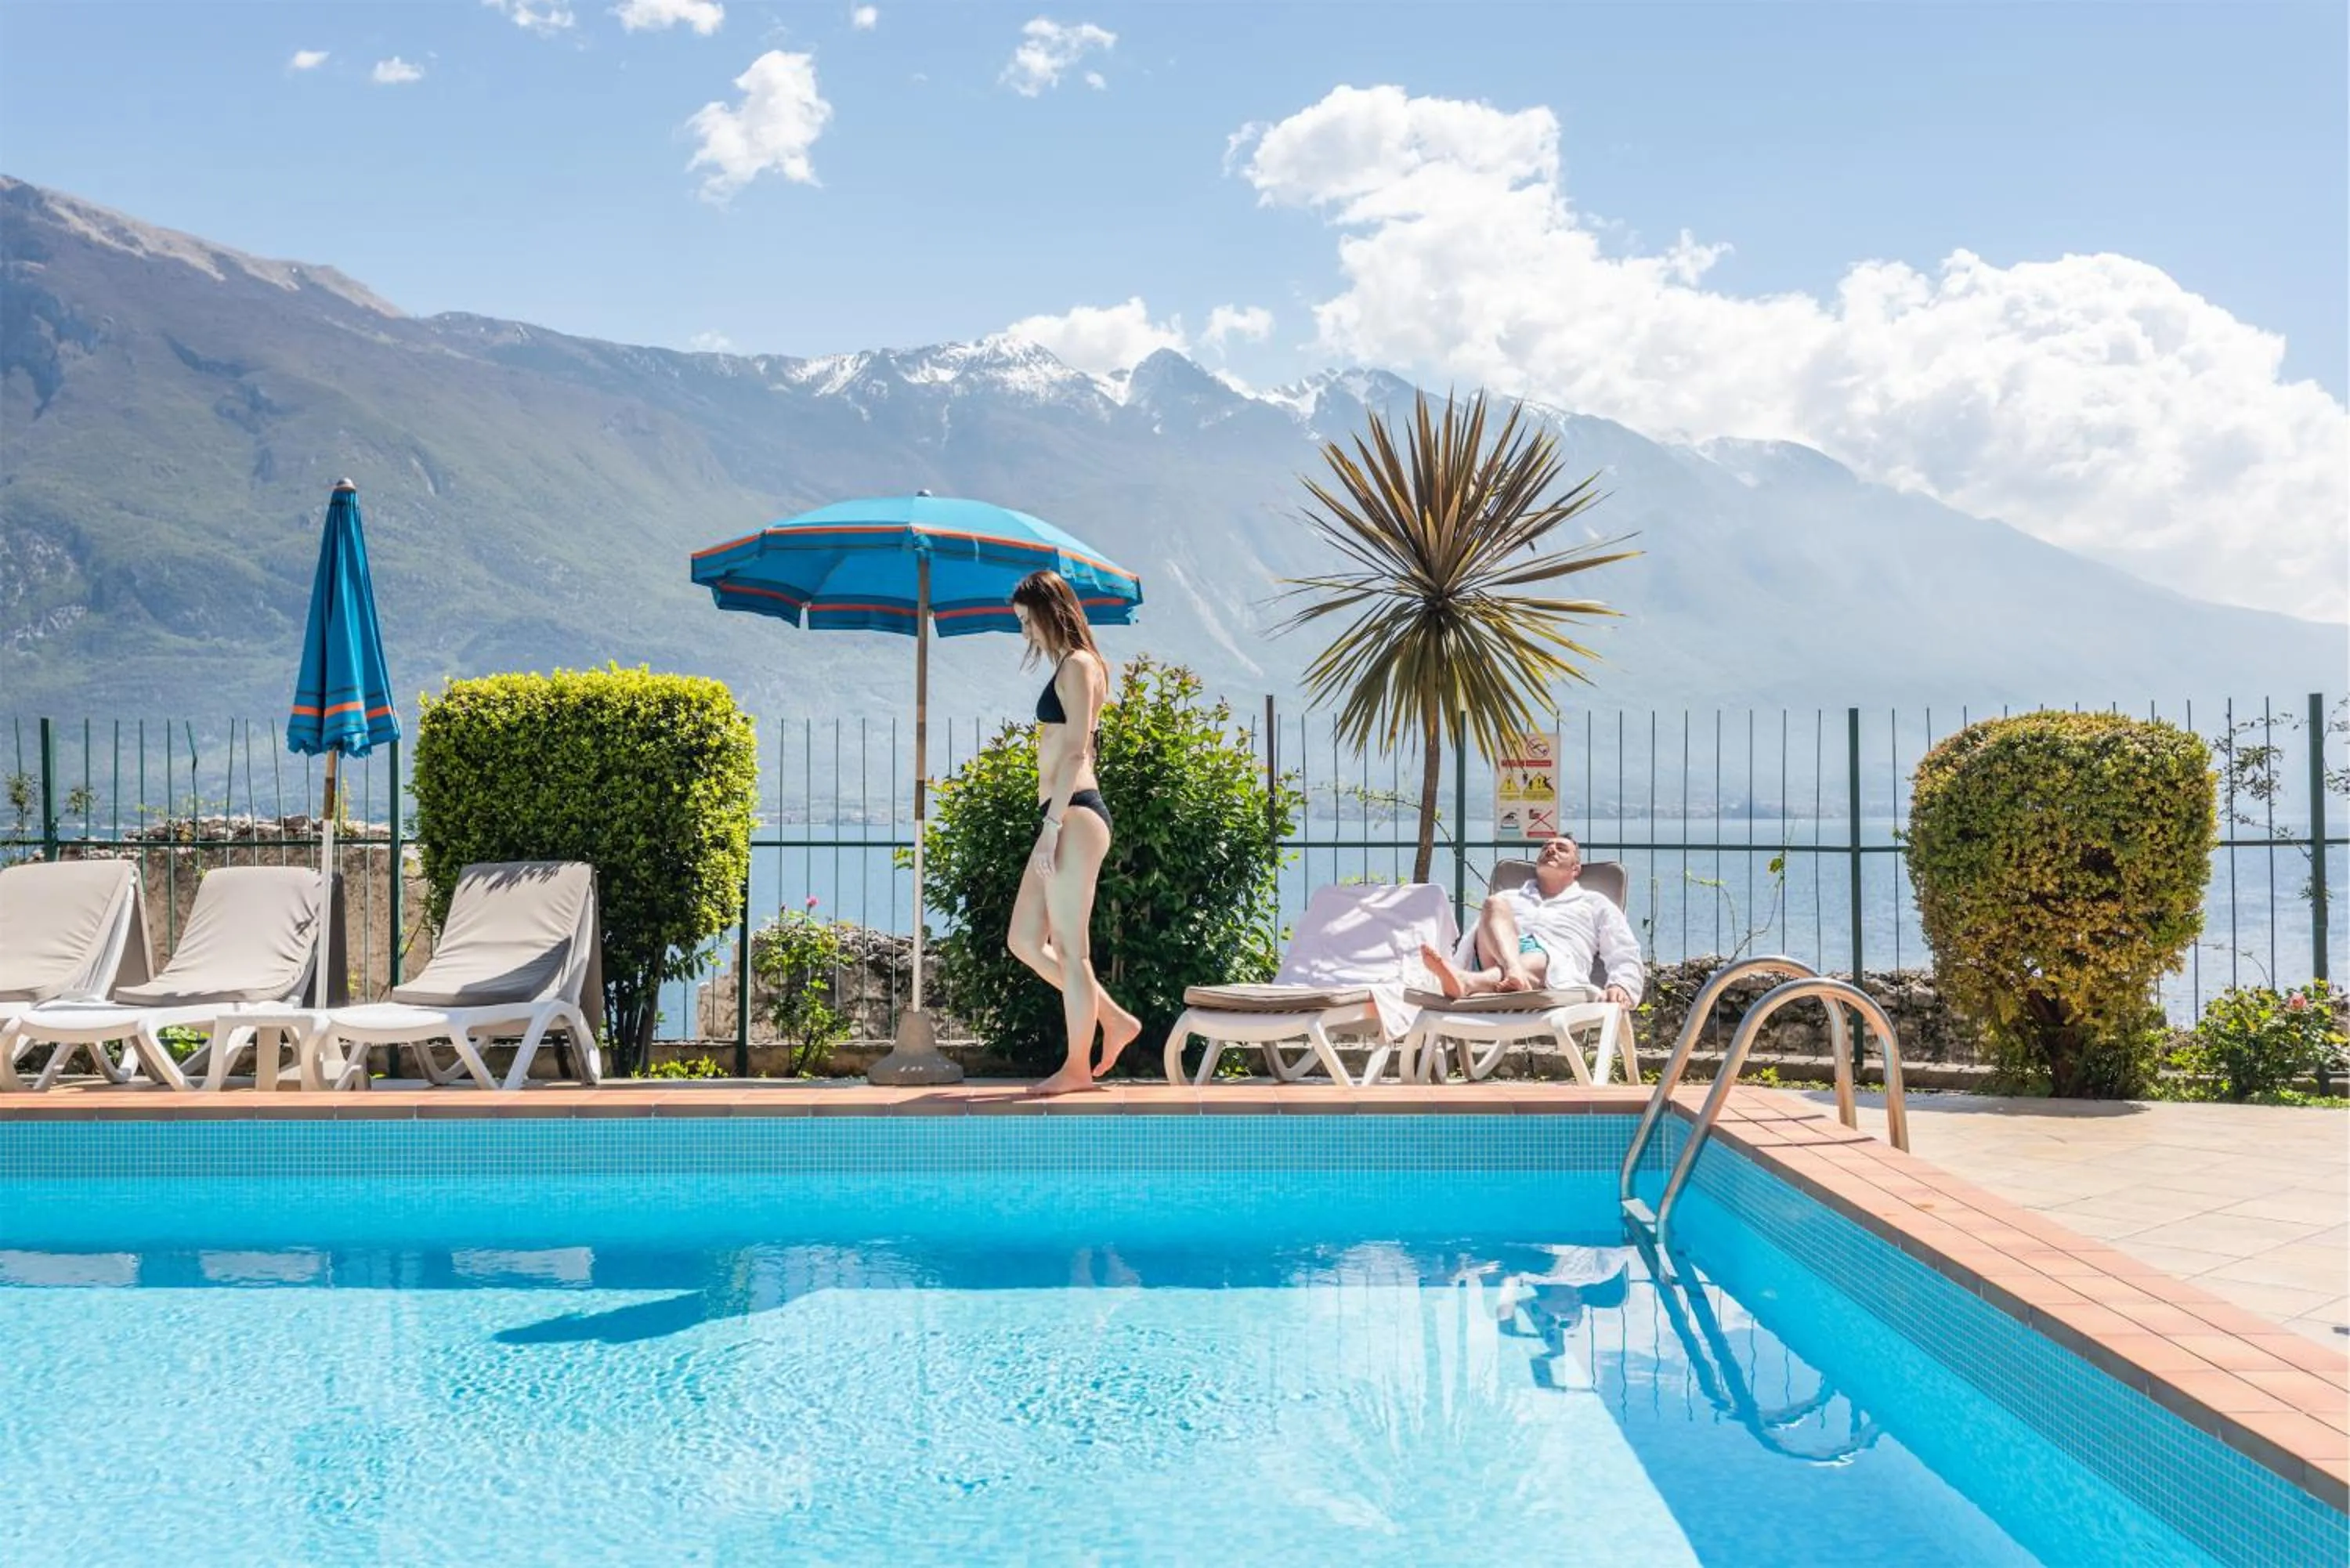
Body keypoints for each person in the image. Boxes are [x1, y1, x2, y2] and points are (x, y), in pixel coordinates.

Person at [1005, 569, 1141, 1096]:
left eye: (1026, 622)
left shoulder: (1080, 665)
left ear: (1048, 612)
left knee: (1070, 949)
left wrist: (1051, 826)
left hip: (1075, 814)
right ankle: (1115, 1019)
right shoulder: (1068, 664)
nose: (1025, 634)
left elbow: (1079, 749)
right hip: (1061, 814)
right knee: (1024, 939)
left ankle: (1077, 1068)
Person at [1422, 833, 1643, 1006]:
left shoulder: (1595, 903)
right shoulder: (1509, 897)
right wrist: (1511, 964)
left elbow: (1623, 949)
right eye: (1546, 847)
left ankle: (1469, 982)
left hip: (1553, 973)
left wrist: (1621, 985)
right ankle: (1513, 972)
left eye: (1561, 849)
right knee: (1493, 904)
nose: (1551, 850)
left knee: (1538, 954)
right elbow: (1478, 937)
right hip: (1497, 958)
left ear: (1576, 869)